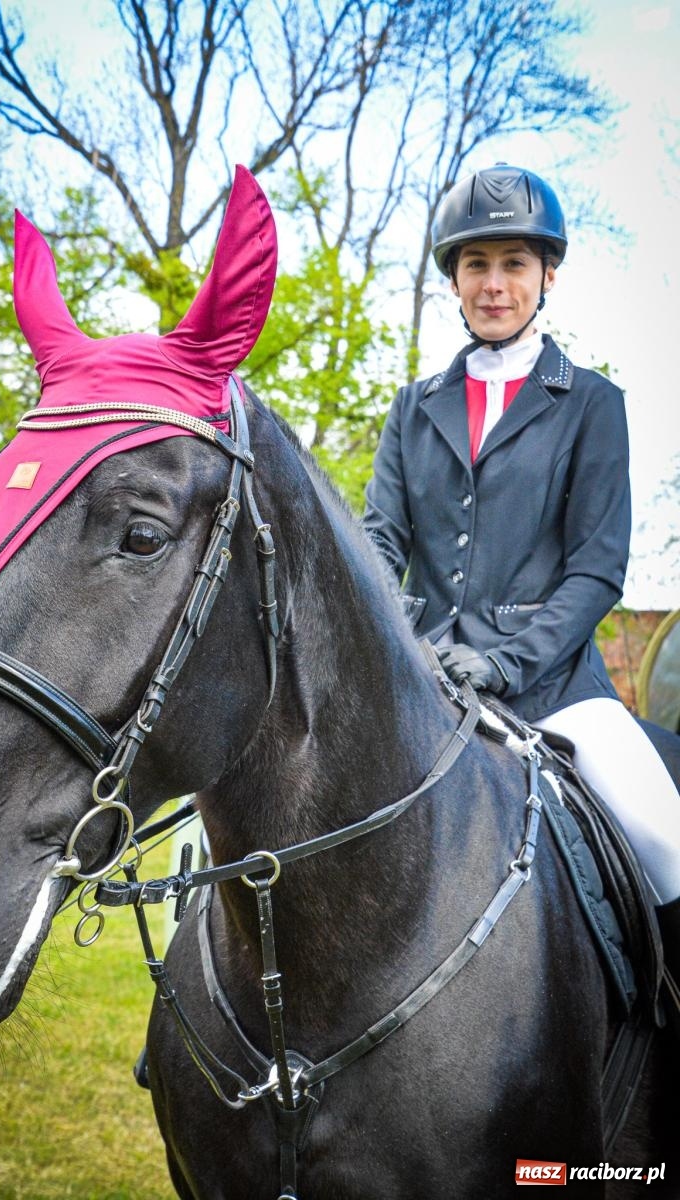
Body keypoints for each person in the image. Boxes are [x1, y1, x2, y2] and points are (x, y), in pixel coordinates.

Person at [363, 162, 680, 1024]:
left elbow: (596, 571)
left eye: (513, 262)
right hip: (422, 681)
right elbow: (379, 542)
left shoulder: (591, 405)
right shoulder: (413, 406)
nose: (494, 283)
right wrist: (395, 639)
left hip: (554, 692)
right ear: (454, 280)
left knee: (666, 837)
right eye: (476, 265)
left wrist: (503, 664)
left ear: (548, 274)